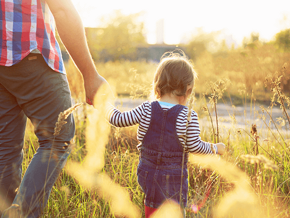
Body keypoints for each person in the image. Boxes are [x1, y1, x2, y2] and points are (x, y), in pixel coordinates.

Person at [0, 0, 106, 217]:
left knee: (5, 147)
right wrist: (90, 75)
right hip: (29, 52)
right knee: (57, 138)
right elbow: (62, 10)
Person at [106, 51, 225, 218]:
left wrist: (103, 104)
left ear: (157, 84)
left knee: (152, 206)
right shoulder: (188, 116)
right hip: (174, 179)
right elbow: (195, 146)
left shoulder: (146, 108)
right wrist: (215, 148)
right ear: (188, 90)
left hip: (147, 174)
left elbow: (118, 119)